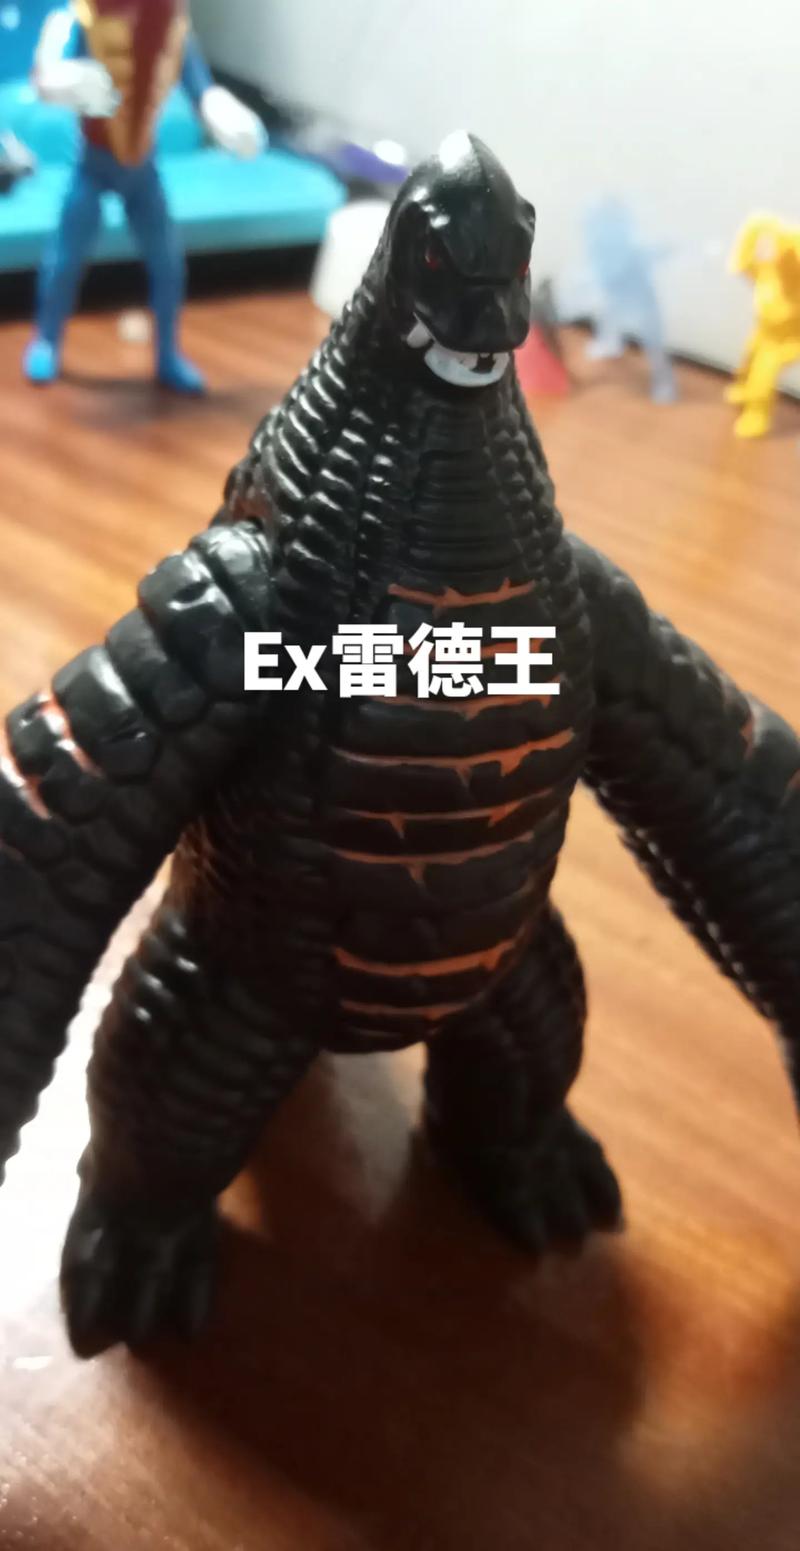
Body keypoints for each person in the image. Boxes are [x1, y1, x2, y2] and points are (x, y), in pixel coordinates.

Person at [24, 0, 265, 393]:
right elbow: (45, 76)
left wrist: (224, 114)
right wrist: (64, 81)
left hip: (141, 168)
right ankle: (47, 340)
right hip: (92, 164)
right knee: (65, 259)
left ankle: (168, 354)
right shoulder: (84, 18)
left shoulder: (173, 25)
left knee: (167, 264)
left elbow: (201, 87)